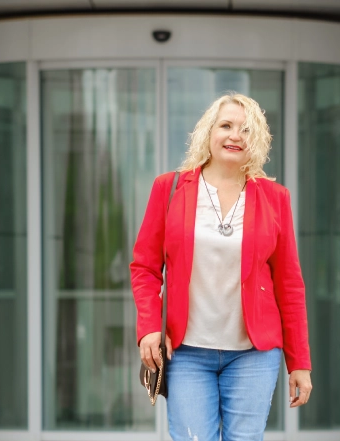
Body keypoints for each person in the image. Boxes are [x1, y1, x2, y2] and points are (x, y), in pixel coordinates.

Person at [131, 92, 312, 441]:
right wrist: (150, 327)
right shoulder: (169, 188)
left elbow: (290, 283)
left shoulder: (276, 198)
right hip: (185, 351)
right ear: (208, 132)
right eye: (226, 126)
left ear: (256, 140)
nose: (234, 136)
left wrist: (300, 362)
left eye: (246, 130)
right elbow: (145, 267)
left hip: (253, 355)